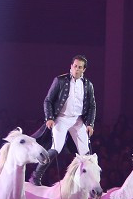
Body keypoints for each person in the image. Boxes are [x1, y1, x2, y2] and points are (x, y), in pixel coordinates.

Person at [30, 55, 96, 185]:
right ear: (71, 66)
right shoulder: (60, 80)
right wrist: (49, 117)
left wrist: (90, 124)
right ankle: (36, 176)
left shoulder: (88, 85)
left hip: (78, 120)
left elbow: (92, 105)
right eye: (75, 66)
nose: (76, 69)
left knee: (86, 154)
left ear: (84, 69)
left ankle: (86, 183)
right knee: (56, 148)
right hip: (61, 118)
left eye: (80, 67)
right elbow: (48, 100)